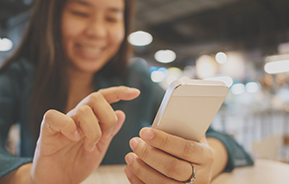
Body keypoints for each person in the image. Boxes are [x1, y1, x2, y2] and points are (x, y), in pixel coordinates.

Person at [0, 0, 253, 183]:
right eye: (80, 12)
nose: (97, 32)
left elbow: (229, 146)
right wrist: (30, 177)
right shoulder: (20, 76)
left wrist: (200, 165)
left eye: (111, 17)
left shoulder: (136, 79)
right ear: (52, 15)